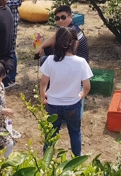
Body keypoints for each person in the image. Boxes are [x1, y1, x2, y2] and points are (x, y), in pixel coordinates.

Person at [39, 27, 93, 156]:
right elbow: (86, 86)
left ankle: (47, 159)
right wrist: (82, 95)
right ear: (75, 43)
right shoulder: (81, 62)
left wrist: (43, 97)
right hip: (72, 104)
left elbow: (43, 83)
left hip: (53, 104)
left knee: (51, 133)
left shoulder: (50, 60)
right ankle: (76, 158)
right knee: (75, 132)